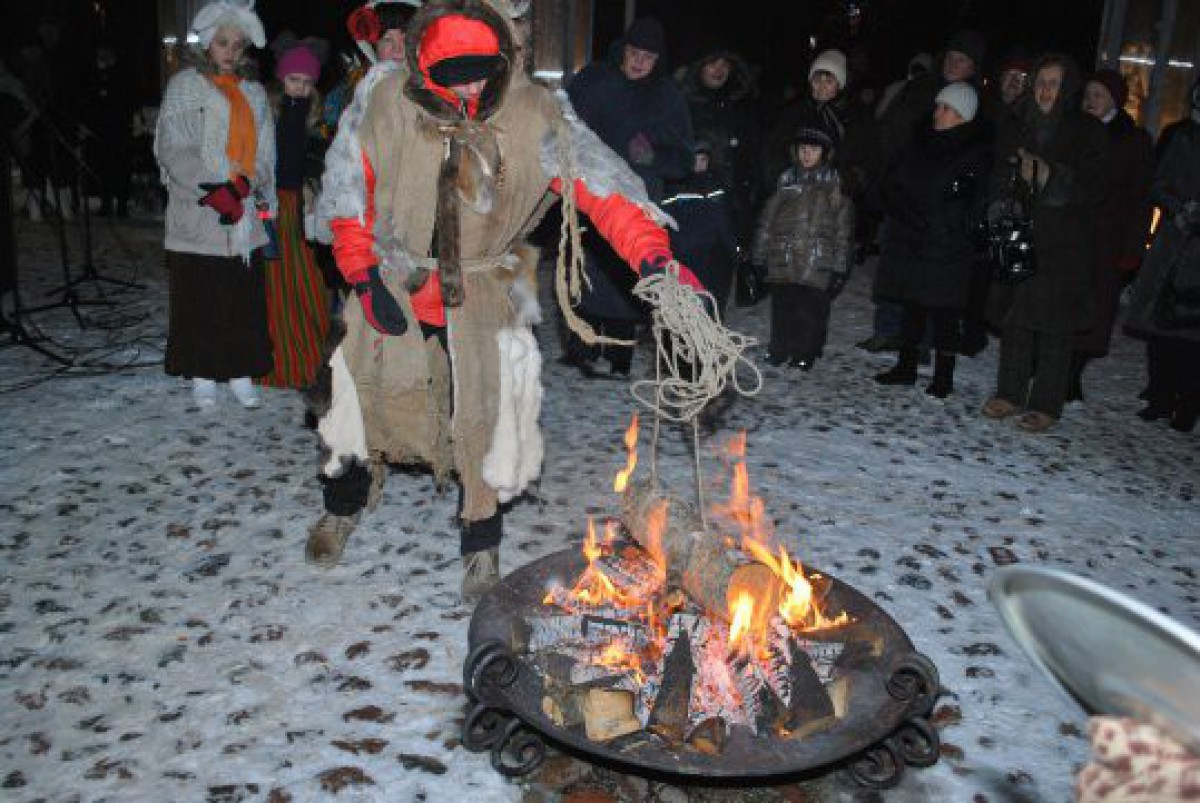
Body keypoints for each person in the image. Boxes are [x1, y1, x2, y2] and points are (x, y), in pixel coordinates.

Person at [309, 0, 704, 601]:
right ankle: (343, 505)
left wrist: (654, 259)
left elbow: (604, 189)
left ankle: (481, 543)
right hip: (393, 280)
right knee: (355, 401)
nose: (469, 87)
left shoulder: (536, 112)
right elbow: (348, 193)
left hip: (480, 291)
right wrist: (362, 277)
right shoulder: (386, 99)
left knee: (484, 420)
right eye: (452, 75)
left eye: (480, 72)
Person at [154, 0, 275, 409]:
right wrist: (213, 187)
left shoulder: (254, 93)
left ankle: (241, 371)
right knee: (200, 295)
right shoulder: (185, 87)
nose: (230, 51)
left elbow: (265, 152)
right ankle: (202, 373)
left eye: (238, 45)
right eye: (223, 42)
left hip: (242, 212)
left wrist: (246, 183)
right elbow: (173, 148)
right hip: (200, 209)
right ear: (208, 43)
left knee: (240, 297)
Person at [981, 54, 1109, 432]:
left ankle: (1046, 404)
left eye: (1053, 83)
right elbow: (998, 173)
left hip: (1064, 241)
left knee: (1055, 326)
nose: (1045, 90)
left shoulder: (1087, 130)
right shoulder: (1017, 124)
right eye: (1040, 82)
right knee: (1016, 317)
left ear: (1067, 88)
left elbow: (1095, 185)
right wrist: (999, 204)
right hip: (1018, 230)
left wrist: (1048, 176)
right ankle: (1009, 392)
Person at [562, 17, 694, 377]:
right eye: (634, 53)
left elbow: (683, 159)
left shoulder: (667, 97)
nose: (639, 62)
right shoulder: (593, 81)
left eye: (648, 57)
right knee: (584, 270)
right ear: (623, 50)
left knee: (627, 276)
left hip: (638, 199)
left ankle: (620, 357)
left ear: (658, 61)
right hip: (592, 193)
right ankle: (581, 349)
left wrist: (653, 156)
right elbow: (562, 126)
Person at [872, 82, 991, 398]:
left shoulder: (975, 153)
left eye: (947, 108)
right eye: (938, 106)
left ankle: (943, 376)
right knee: (912, 305)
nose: (938, 113)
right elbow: (893, 182)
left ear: (963, 116)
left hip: (947, 245)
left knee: (945, 313)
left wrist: (943, 224)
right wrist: (907, 212)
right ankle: (906, 366)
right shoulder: (920, 143)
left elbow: (969, 199)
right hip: (913, 238)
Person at [1123, 76, 1200, 434]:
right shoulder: (1177, 134)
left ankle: (1189, 402)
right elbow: (1157, 181)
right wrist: (1178, 208)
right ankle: (1160, 396)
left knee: (1193, 332)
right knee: (1160, 324)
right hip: (1172, 239)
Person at [1070, 69, 1152, 403]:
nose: (1090, 101)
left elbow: (1141, 197)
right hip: (1071, 233)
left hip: (1108, 239)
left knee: (1096, 308)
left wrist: (1133, 248)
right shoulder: (1073, 131)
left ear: (1114, 101)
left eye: (1098, 95)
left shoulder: (1132, 140)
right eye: (1087, 95)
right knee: (1063, 301)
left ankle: (1073, 374)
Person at [259, 35, 332, 391]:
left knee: (307, 282)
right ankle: (283, 360)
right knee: (278, 282)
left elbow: (315, 159)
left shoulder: (314, 116)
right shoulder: (268, 112)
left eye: (306, 81)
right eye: (293, 79)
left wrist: (312, 184)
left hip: (301, 207)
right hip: (274, 204)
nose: (300, 88)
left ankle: (311, 355)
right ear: (281, 78)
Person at [752, 119, 853, 371]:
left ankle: (806, 351)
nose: (807, 154)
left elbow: (843, 233)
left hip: (817, 259)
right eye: (802, 149)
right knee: (783, 307)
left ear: (825, 154)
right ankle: (779, 348)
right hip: (784, 256)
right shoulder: (785, 182)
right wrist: (759, 257)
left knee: (812, 311)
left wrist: (840, 268)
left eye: (813, 149)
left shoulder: (834, 188)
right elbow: (767, 222)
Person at [677, 47, 761, 251]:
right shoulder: (680, 103)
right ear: (700, 66)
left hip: (734, 206)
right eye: (713, 63)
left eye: (725, 65)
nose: (719, 70)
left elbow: (752, 155)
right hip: (694, 202)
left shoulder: (741, 105)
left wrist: (751, 194)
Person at [660, 139, 738, 313]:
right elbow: (665, 219)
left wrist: (734, 250)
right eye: (695, 159)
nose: (700, 164)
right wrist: (673, 248)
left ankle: (711, 325)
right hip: (685, 253)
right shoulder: (675, 187)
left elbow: (723, 221)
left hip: (711, 254)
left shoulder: (715, 186)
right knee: (688, 299)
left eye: (703, 159)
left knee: (712, 298)